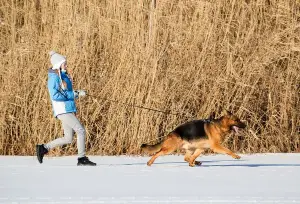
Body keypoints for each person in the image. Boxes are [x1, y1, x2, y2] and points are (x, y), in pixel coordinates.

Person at [36, 51, 96, 166]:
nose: (66, 66)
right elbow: (55, 95)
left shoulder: (62, 76)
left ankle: (43, 148)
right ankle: (81, 158)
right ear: (58, 64)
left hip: (67, 109)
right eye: (64, 64)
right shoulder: (54, 78)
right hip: (62, 110)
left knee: (68, 138)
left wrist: (77, 92)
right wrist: (74, 94)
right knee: (80, 130)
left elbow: (66, 91)